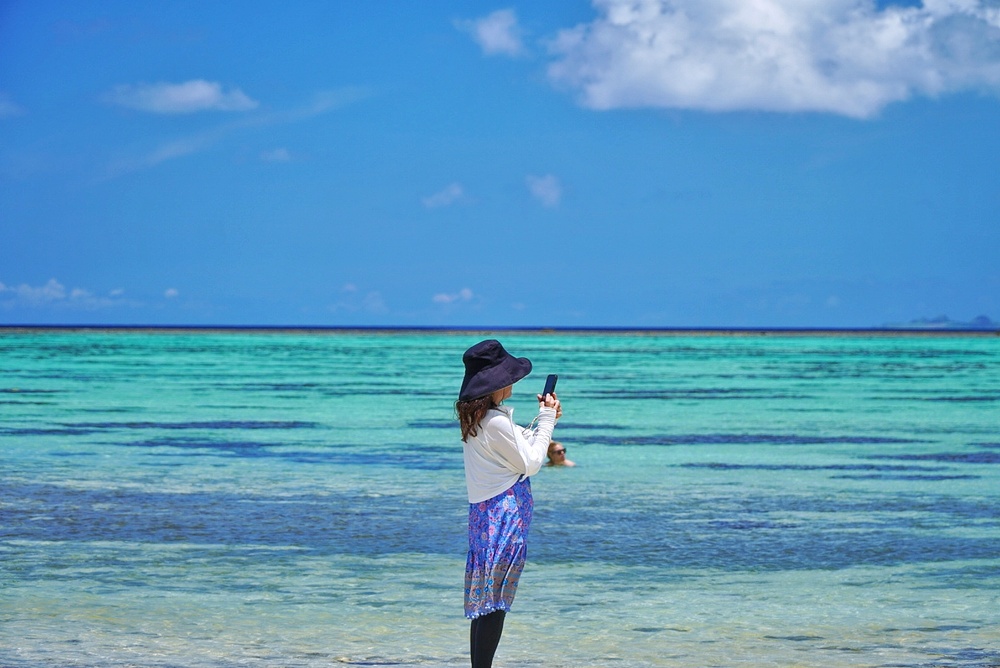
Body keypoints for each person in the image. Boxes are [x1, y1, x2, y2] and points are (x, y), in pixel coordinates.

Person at [455, 339, 562, 668]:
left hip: (484, 515)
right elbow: (531, 462)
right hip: (503, 517)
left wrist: (544, 420)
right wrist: (547, 419)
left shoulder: (478, 418)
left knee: (485, 602)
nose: (514, 381)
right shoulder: (496, 421)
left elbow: (517, 445)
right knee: (496, 602)